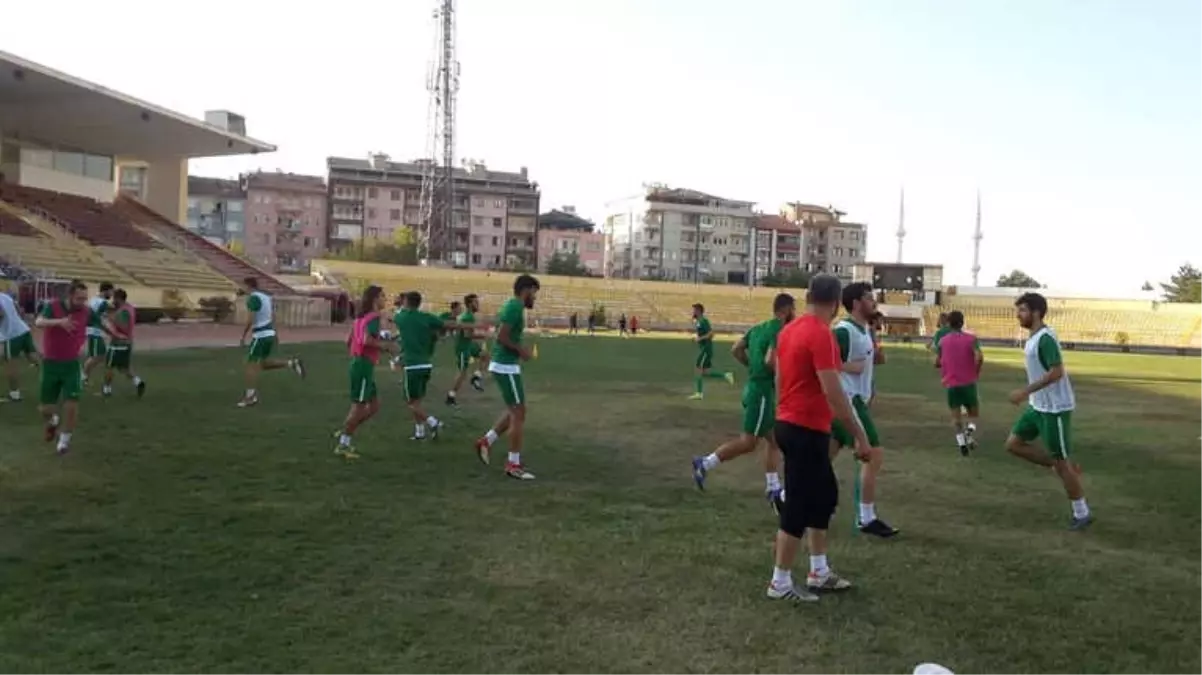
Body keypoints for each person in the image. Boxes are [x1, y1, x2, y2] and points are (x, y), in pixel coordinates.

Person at [767, 275, 871, 604]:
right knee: (798, 504)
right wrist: (859, 436)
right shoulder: (821, 334)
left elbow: (780, 375)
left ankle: (818, 570)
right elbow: (834, 392)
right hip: (804, 429)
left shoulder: (789, 330)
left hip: (791, 424)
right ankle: (780, 582)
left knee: (824, 496)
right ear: (837, 301)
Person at [692, 293, 793, 505]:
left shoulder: (758, 328)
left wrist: (751, 366)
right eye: (793, 310)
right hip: (763, 392)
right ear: (786, 310)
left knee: (775, 440)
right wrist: (783, 375)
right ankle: (705, 463)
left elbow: (736, 349)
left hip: (753, 387)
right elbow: (770, 361)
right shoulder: (780, 330)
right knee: (748, 443)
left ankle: (773, 486)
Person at [1005, 292, 1092, 530]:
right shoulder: (1033, 338)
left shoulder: (1045, 338)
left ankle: (1081, 512)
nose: (1018, 315)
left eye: (1022, 310)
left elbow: (1056, 372)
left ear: (1035, 313)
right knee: (1013, 445)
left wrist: (1024, 391)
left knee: (1062, 463)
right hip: (1038, 406)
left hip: (1055, 409)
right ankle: (1060, 466)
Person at [830, 283, 898, 538]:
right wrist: (852, 367)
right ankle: (866, 518)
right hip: (847, 399)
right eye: (870, 298)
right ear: (857, 303)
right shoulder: (844, 330)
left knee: (822, 458)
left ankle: (785, 495)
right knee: (873, 454)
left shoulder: (864, 330)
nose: (874, 302)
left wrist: (873, 361)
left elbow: (863, 362)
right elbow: (824, 361)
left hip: (857, 398)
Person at [474, 274, 540, 480]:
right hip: (505, 365)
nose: (535, 297)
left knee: (516, 411)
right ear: (526, 290)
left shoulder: (512, 305)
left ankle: (487, 441)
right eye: (534, 293)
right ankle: (513, 464)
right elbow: (502, 337)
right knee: (518, 413)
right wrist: (522, 351)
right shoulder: (514, 307)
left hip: (505, 365)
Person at [35, 280, 109, 454]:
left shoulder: (86, 311)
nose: (82, 302)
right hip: (50, 364)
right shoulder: (53, 306)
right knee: (45, 409)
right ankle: (53, 421)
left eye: (85, 298)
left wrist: (116, 334)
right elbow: (39, 322)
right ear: (69, 296)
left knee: (72, 404)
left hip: (71, 365)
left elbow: (101, 323)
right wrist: (58, 322)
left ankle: (64, 440)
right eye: (79, 298)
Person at [335, 284, 397, 458]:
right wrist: (387, 347)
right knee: (359, 407)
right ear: (375, 299)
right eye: (383, 296)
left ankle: (348, 429)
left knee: (374, 406)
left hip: (360, 363)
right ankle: (344, 443)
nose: (385, 300)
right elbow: (366, 340)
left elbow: (350, 340)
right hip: (363, 365)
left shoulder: (360, 318)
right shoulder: (375, 317)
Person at [393, 291, 462, 440]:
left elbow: (394, 316)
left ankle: (433, 422)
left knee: (411, 403)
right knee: (417, 402)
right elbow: (444, 324)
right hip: (426, 364)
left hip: (411, 365)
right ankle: (419, 432)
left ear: (406, 302)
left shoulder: (401, 317)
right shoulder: (426, 317)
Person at [237, 277, 306, 408]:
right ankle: (291, 363)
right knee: (262, 364)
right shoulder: (266, 297)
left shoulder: (253, 298)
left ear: (248, 286)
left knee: (250, 365)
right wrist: (275, 333)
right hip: (269, 333)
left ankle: (250, 396)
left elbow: (251, 318)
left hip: (260, 335)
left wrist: (243, 335)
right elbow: (273, 316)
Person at [933, 310, 983, 456]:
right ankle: (969, 433)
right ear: (962, 323)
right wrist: (976, 372)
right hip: (968, 383)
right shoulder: (971, 339)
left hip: (951, 384)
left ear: (948, 323)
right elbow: (979, 357)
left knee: (956, 418)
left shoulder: (943, 341)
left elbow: (937, 363)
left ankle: (961, 443)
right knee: (974, 416)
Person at [101, 289, 146, 399]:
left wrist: (110, 319)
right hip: (127, 342)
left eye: (114, 299)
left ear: (118, 298)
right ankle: (138, 382)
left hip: (118, 343)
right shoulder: (129, 308)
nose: (113, 301)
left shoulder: (123, 311)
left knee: (109, 366)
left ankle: (107, 389)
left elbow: (123, 326)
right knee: (123, 368)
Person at [446, 293, 489, 407]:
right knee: (462, 373)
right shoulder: (467, 317)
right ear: (470, 304)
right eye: (476, 302)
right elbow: (467, 335)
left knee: (485, 355)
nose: (478, 304)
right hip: (463, 348)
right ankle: (451, 396)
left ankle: (476, 377)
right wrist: (483, 335)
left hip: (468, 345)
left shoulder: (468, 315)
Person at [688, 303, 734, 400]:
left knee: (699, 368)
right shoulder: (699, 321)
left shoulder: (704, 321)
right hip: (704, 349)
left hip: (706, 349)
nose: (693, 312)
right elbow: (701, 333)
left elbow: (711, 334)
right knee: (704, 373)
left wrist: (699, 339)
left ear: (699, 311)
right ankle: (725, 375)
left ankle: (699, 393)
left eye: (694, 310)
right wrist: (697, 338)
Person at [0, 290, 40, 402]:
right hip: (23, 329)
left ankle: (14, 394)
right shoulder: (5, 296)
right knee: (33, 357)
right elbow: (19, 310)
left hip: (11, 335)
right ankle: (52, 377)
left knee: (10, 363)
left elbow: (1, 314)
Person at [81, 281, 114, 387]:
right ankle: (82, 377)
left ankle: (84, 377)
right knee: (98, 355)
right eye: (111, 291)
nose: (112, 294)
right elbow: (100, 318)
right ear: (106, 291)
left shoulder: (94, 300)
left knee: (96, 355)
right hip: (94, 331)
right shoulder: (102, 303)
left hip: (92, 330)